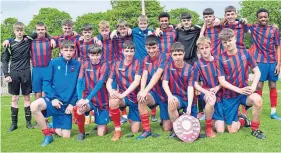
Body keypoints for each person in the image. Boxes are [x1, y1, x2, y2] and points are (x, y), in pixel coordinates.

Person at [30, 40, 80, 146]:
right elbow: (46, 82)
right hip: (53, 101)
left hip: (66, 105)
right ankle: (48, 135)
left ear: (74, 51)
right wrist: (53, 99)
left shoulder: (78, 65)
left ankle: (53, 126)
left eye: (71, 50)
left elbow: (78, 87)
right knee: (34, 106)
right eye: (66, 50)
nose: (68, 52)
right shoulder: (54, 63)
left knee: (65, 135)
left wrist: (72, 103)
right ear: (61, 51)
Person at [217, 28, 265, 139]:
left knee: (257, 100)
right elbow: (222, 81)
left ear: (235, 38)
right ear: (222, 43)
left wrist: (253, 87)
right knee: (232, 130)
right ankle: (243, 120)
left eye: (229, 40)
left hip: (245, 93)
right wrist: (239, 90)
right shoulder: (220, 58)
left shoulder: (246, 52)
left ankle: (255, 129)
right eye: (224, 42)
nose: (227, 44)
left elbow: (257, 71)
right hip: (229, 96)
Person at [2, 22, 35, 131]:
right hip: (14, 73)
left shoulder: (28, 40)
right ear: (14, 31)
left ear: (23, 31)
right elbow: (5, 60)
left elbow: (39, 33)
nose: (20, 32)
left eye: (21, 30)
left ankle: (28, 123)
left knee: (27, 98)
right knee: (14, 98)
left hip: (26, 72)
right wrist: (6, 74)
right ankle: (14, 124)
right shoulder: (9, 44)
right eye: (17, 30)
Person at [106, 40, 142, 141]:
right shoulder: (116, 64)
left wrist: (123, 94)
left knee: (135, 130)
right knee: (113, 100)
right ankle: (117, 129)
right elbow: (109, 82)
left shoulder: (138, 63)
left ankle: (132, 117)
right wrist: (111, 92)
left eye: (131, 51)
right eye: (127, 51)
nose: (129, 53)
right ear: (123, 51)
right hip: (123, 97)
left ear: (134, 52)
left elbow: (136, 82)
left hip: (134, 98)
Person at [137, 35, 171, 140]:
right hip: (154, 93)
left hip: (166, 94)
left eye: (153, 47)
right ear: (145, 47)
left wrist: (145, 90)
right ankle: (147, 130)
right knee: (141, 99)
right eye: (149, 48)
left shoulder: (164, 56)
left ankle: (172, 116)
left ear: (158, 46)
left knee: (167, 128)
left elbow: (157, 75)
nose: (151, 50)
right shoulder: (145, 59)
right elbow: (145, 75)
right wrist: (142, 91)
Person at [249, 8, 281, 120]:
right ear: (257, 19)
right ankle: (258, 107)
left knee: (273, 85)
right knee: (258, 86)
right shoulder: (253, 28)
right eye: (261, 17)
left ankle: (273, 113)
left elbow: (278, 46)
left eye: (265, 17)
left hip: (272, 62)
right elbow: (238, 24)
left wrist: (279, 63)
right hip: (260, 61)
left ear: (268, 17)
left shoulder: (274, 30)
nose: (263, 18)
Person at [75, 44, 110, 141]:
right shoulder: (84, 64)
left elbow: (99, 84)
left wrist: (87, 99)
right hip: (88, 100)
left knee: (101, 134)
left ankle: (102, 122)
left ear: (101, 54)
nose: (95, 57)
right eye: (92, 55)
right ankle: (81, 133)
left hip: (101, 101)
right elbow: (79, 81)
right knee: (80, 109)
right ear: (89, 55)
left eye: (97, 55)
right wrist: (80, 99)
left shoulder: (105, 65)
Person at [162, 42, 195, 138]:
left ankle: (182, 115)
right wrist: (170, 96)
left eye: (180, 54)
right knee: (171, 103)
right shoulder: (168, 66)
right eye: (175, 55)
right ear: (171, 55)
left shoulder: (191, 68)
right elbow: (164, 83)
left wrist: (189, 105)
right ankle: (177, 129)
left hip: (189, 99)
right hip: (177, 97)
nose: (178, 57)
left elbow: (190, 87)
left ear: (184, 54)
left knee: (192, 129)